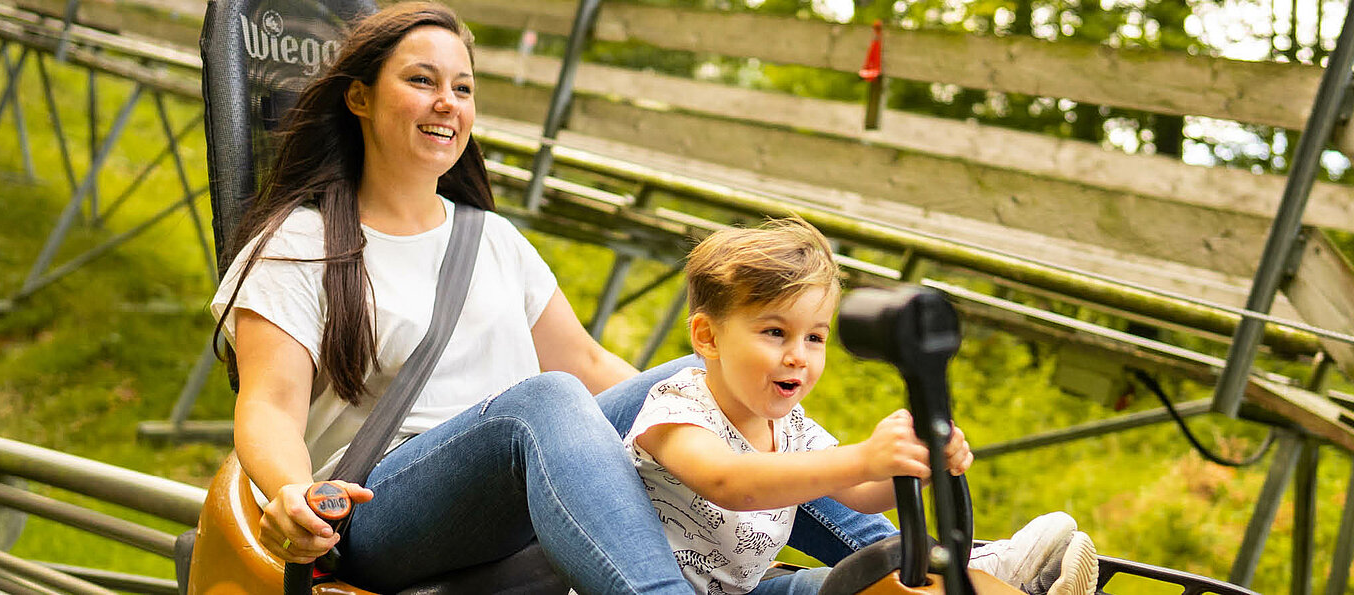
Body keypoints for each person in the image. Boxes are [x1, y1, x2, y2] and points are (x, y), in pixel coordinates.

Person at [209, 3, 918, 592]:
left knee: (688, 380)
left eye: (462, 88)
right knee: (543, 399)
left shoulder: (490, 239)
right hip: (384, 511)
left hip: (530, 483)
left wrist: (689, 402)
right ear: (359, 97)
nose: (446, 104)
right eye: (422, 81)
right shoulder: (300, 243)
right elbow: (269, 404)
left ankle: (915, 564)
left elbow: (589, 361)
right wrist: (289, 490)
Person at [624, 219, 1100, 595]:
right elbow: (731, 485)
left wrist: (914, 464)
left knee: (875, 586)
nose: (798, 355)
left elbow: (860, 494)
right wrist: (864, 456)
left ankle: (989, 582)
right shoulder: (677, 407)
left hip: (746, 590)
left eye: (815, 337)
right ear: (707, 336)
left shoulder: (788, 425)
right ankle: (988, 576)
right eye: (775, 332)